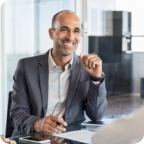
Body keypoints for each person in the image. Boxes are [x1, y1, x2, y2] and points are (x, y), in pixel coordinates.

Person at [10, 10, 107, 136]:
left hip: (70, 137)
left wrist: (96, 78)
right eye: (64, 29)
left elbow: (96, 115)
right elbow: (16, 113)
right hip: (33, 137)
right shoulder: (26, 66)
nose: (71, 37)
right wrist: (37, 124)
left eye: (76, 30)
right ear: (51, 33)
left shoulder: (86, 68)